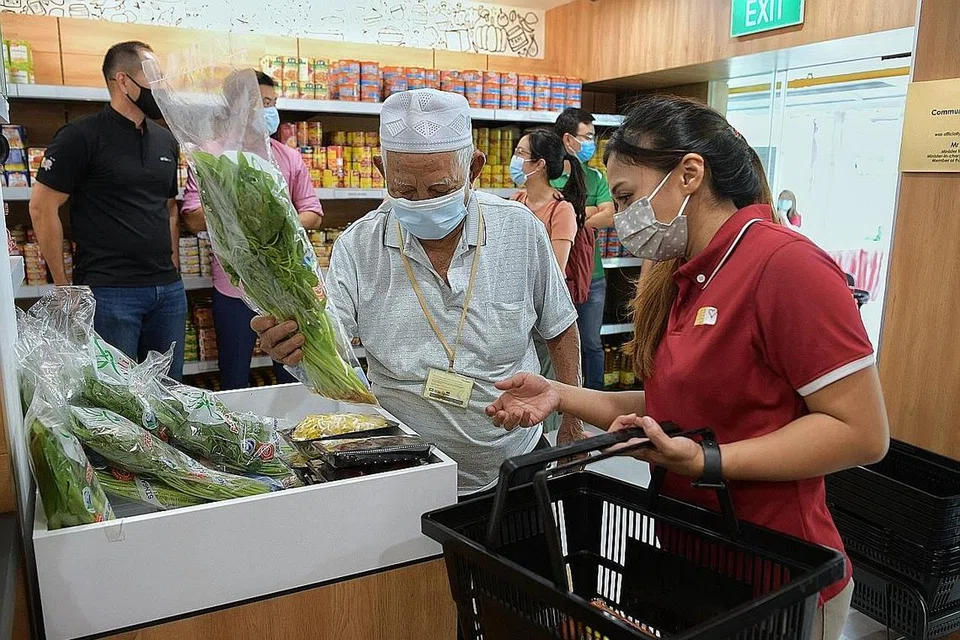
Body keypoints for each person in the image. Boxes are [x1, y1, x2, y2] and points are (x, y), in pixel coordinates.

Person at [487, 95, 889, 640]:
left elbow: (861, 433)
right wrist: (559, 394)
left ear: (689, 174)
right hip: (696, 562)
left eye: (627, 197)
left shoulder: (786, 266)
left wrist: (707, 461)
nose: (622, 217)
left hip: (780, 577)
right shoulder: (690, 275)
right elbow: (677, 406)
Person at [252, 89, 585, 497]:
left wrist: (572, 419)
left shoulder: (520, 228)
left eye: (440, 189)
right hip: (401, 466)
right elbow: (329, 344)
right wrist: (294, 346)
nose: (423, 204)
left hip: (511, 461)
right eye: (405, 191)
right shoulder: (358, 246)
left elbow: (559, 326)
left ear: (474, 168)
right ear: (381, 170)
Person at [30, 41, 188, 379]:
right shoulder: (80, 136)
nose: (160, 87)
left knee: (173, 395)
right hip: (110, 292)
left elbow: (169, 207)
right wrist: (63, 288)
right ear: (123, 81)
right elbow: (42, 207)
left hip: (168, 291)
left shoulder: (165, 141)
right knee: (120, 398)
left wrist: (173, 264)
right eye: (153, 77)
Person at [181, 70, 323, 390]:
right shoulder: (210, 157)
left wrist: (278, 221)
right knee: (234, 375)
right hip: (235, 289)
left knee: (294, 375)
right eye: (263, 103)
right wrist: (232, 209)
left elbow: (313, 213)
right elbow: (191, 217)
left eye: (273, 103)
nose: (271, 111)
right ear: (237, 108)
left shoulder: (287, 157)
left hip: (288, 286)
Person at [510, 128, 588, 434]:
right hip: (514, 312)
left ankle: (542, 441)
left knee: (542, 383)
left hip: (542, 316)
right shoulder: (516, 200)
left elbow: (554, 270)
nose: (514, 160)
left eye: (520, 154)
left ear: (539, 164)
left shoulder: (561, 209)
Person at [553, 108, 615, 390]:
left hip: (593, 275)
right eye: (586, 136)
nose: (590, 142)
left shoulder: (596, 177)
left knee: (591, 343)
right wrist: (586, 212)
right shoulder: (549, 176)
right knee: (557, 344)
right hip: (558, 275)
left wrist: (570, 215)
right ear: (568, 139)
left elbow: (610, 215)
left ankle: (596, 401)